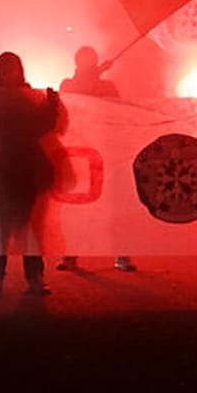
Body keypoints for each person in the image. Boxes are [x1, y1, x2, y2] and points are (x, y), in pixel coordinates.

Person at [0, 52, 60, 297]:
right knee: (0, 229)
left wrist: (52, 103)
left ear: (20, 71)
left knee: (28, 228)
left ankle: (34, 277)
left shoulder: (29, 97)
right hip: (2, 170)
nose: (10, 75)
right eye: (5, 70)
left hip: (27, 168)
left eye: (13, 70)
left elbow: (44, 125)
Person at [56, 46, 135, 273]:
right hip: (80, 153)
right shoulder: (68, 84)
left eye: (91, 61)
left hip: (106, 151)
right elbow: (73, 98)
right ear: (77, 62)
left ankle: (122, 254)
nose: (87, 65)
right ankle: (69, 255)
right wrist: (96, 72)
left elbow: (118, 112)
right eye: (84, 61)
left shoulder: (107, 87)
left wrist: (98, 75)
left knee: (115, 205)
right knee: (76, 206)